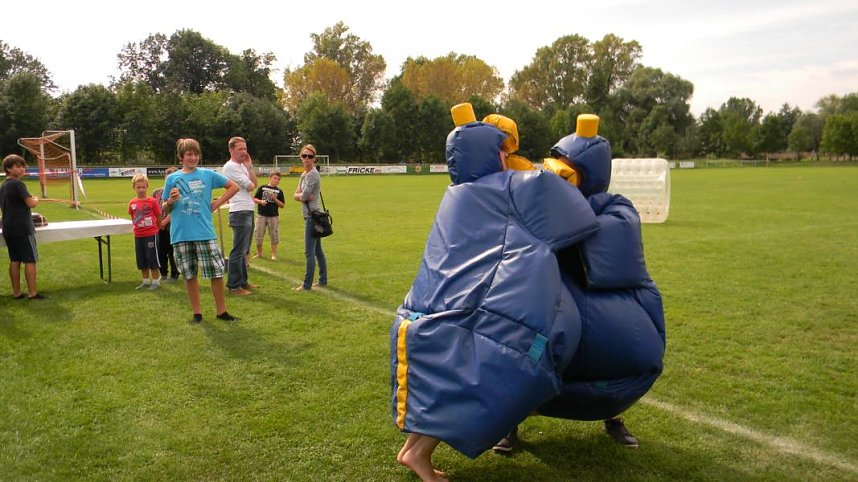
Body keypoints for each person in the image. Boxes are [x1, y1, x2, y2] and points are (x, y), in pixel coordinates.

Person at [162, 138, 239, 323]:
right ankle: (197, 313)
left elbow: (233, 186)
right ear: (181, 157)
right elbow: (164, 208)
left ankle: (221, 312)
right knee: (189, 275)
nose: (193, 158)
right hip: (181, 234)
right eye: (189, 154)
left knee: (216, 273)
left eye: (196, 154)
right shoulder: (172, 178)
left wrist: (216, 203)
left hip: (204, 232)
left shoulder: (207, 174)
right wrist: (171, 201)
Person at [0, 154, 43, 300]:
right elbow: (31, 203)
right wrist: (36, 199)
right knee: (30, 260)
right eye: (17, 166)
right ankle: (33, 293)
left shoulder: (4, 185)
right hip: (22, 229)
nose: (22, 169)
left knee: (15, 260)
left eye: (22, 166)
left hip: (9, 228)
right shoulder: (17, 184)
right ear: (8, 169)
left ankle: (17, 293)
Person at [222, 136, 258, 296]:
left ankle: (243, 282)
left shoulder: (242, 166)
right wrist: (248, 173)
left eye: (245, 148)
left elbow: (255, 183)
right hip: (239, 211)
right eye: (240, 149)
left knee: (244, 250)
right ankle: (234, 285)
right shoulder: (230, 167)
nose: (244, 152)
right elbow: (250, 185)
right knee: (238, 250)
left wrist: (249, 167)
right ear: (231, 150)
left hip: (247, 209)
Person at [292, 144, 327, 291]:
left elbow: (305, 196)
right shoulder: (304, 174)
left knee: (309, 252)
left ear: (314, 158)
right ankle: (323, 280)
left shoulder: (312, 174)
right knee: (318, 250)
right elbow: (298, 194)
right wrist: (299, 196)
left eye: (310, 156)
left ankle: (306, 285)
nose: (307, 159)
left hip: (312, 216)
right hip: (311, 215)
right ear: (301, 157)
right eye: (304, 156)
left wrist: (300, 196)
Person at [128, 173, 162, 290]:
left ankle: (156, 282)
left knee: (152, 257)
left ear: (147, 187)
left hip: (151, 234)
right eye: (138, 187)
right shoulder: (132, 202)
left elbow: (158, 216)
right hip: (138, 235)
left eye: (143, 187)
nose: (141, 189)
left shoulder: (152, 201)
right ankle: (146, 281)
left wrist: (156, 228)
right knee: (141, 258)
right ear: (134, 188)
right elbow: (133, 217)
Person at [152, 167, 179, 282]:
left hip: (172, 226)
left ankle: (174, 274)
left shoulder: (178, 193)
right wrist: (158, 223)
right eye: (167, 178)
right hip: (158, 227)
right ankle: (163, 273)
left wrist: (164, 222)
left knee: (172, 251)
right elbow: (152, 209)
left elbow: (176, 211)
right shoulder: (157, 192)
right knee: (160, 250)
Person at [252, 170, 286, 260]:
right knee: (258, 234)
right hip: (261, 215)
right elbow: (254, 199)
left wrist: (275, 199)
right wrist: (261, 201)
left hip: (273, 216)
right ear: (270, 178)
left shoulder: (279, 191)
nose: (277, 180)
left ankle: (274, 254)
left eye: (278, 179)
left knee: (274, 235)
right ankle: (259, 254)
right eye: (275, 178)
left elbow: (282, 205)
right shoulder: (262, 188)